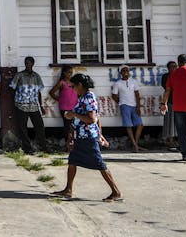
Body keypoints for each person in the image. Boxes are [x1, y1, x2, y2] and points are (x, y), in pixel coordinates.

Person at [52, 73, 122, 202]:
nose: (73, 89)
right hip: (81, 137)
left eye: (73, 86)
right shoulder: (83, 97)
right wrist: (72, 133)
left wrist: (73, 114)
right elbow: (93, 118)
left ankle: (116, 192)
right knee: (72, 162)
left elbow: (92, 119)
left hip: (88, 138)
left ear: (80, 85)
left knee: (99, 164)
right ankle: (68, 190)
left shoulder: (89, 97)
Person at [10, 56, 48, 154]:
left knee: (40, 126)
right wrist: (16, 100)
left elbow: (39, 92)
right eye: (26, 63)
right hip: (21, 106)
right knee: (22, 128)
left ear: (33, 64)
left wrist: (41, 106)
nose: (28, 65)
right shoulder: (19, 75)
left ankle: (43, 147)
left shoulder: (37, 76)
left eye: (30, 63)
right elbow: (12, 88)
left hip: (34, 106)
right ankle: (27, 148)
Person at [111, 65, 144, 152]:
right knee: (128, 125)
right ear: (120, 73)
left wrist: (138, 106)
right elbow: (114, 95)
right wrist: (121, 102)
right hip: (124, 106)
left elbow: (137, 94)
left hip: (134, 106)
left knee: (140, 125)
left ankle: (135, 144)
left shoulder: (133, 81)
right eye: (123, 71)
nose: (125, 72)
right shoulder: (118, 83)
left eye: (127, 70)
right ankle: (134, 145)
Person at [49, 65, 77, 141]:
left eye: (71, 73)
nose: (70, 74)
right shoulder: (62, 83)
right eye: (68, 72)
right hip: (65, 108)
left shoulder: (74, 83)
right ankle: (67, 142)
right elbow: (51, 92)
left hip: (74, 108)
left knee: (75, 125)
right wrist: (60, 99)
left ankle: (74, 142)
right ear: (64, 73)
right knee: (67, 126)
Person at [160, 61, 178, 151]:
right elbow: (167, 89)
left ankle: (178, 141)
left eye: (175, 66)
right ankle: (171, 142)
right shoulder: (166, 77)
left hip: (179, 101)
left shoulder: (179, 75)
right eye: (172, 66)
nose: (174, 68)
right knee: (170, 122)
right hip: (170, 101)